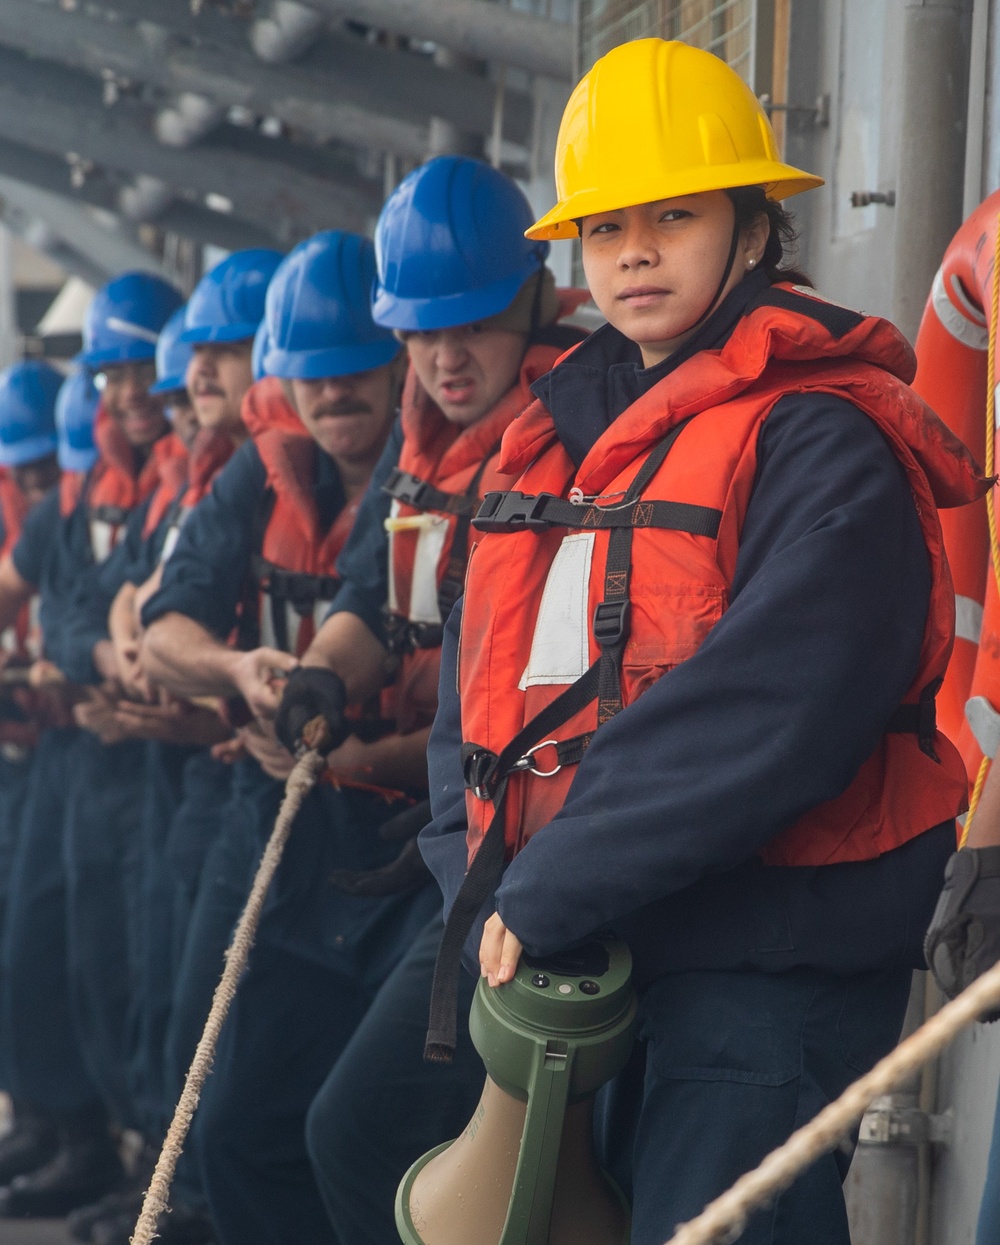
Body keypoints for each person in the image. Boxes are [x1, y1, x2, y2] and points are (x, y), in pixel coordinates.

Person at [407, 39, 986, 1245]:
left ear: (754, 230)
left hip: (768, 954)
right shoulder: (555, 436)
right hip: (595, 937)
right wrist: (472, 864)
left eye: (672, 216)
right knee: (362, 1141)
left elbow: (780, 703)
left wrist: (557, 878)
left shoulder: (822, 440)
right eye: (606, 225)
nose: (632, 251)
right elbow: (485, 682)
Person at [276, 155, 589, 1245]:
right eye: (421, 331)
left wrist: (371, 758)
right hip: (441, 848)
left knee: (362, 1133)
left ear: (536, 301)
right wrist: (323, 674)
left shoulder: (584, 438)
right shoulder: (425, 443)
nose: (447, 357)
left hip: (522, 863)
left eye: (476, 325)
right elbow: (374, 591)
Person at [141, 230, 427, 1244]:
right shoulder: (255, 477)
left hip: (416, 842)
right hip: (275, 820)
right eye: (312, 376)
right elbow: (161, 625)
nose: (335, 395)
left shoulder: (451, 467)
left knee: (365, 1133)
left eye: (356, 371)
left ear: (398, 358)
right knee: (225, 1117)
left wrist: (361, 758)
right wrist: (233, 672)